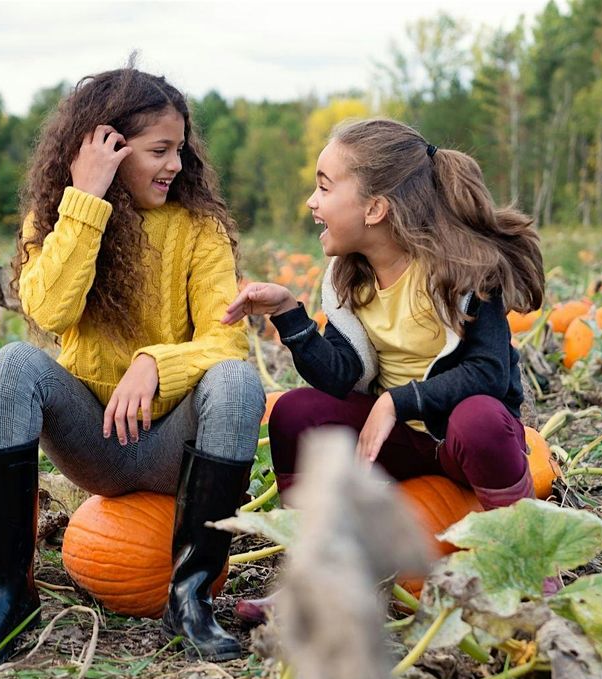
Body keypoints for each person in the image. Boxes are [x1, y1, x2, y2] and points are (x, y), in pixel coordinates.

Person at [0, 67, 264, 666]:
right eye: (158, 151)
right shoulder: (56, 220)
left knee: (238, 379)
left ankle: (191, 595)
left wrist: (155, 363)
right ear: (109, 150)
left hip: (172, 444)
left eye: (180, 149)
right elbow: (48, 309)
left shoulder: (199, 229)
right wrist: (85, 204)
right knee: (14, 364)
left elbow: (226, 344)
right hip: (94, 441)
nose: (175, 164)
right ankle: (8, 597)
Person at [223, 118, 544, 618]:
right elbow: (340, 377)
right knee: (294, 413)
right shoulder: (348, 278)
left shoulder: (463, 271)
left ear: (375, 208)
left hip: (464, 444)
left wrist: (400, 400)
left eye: (324, 187)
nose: (312, 201)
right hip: (399, 446)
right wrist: (290, 315)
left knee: (479, 417)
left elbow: (487, 372)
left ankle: (531, 562)